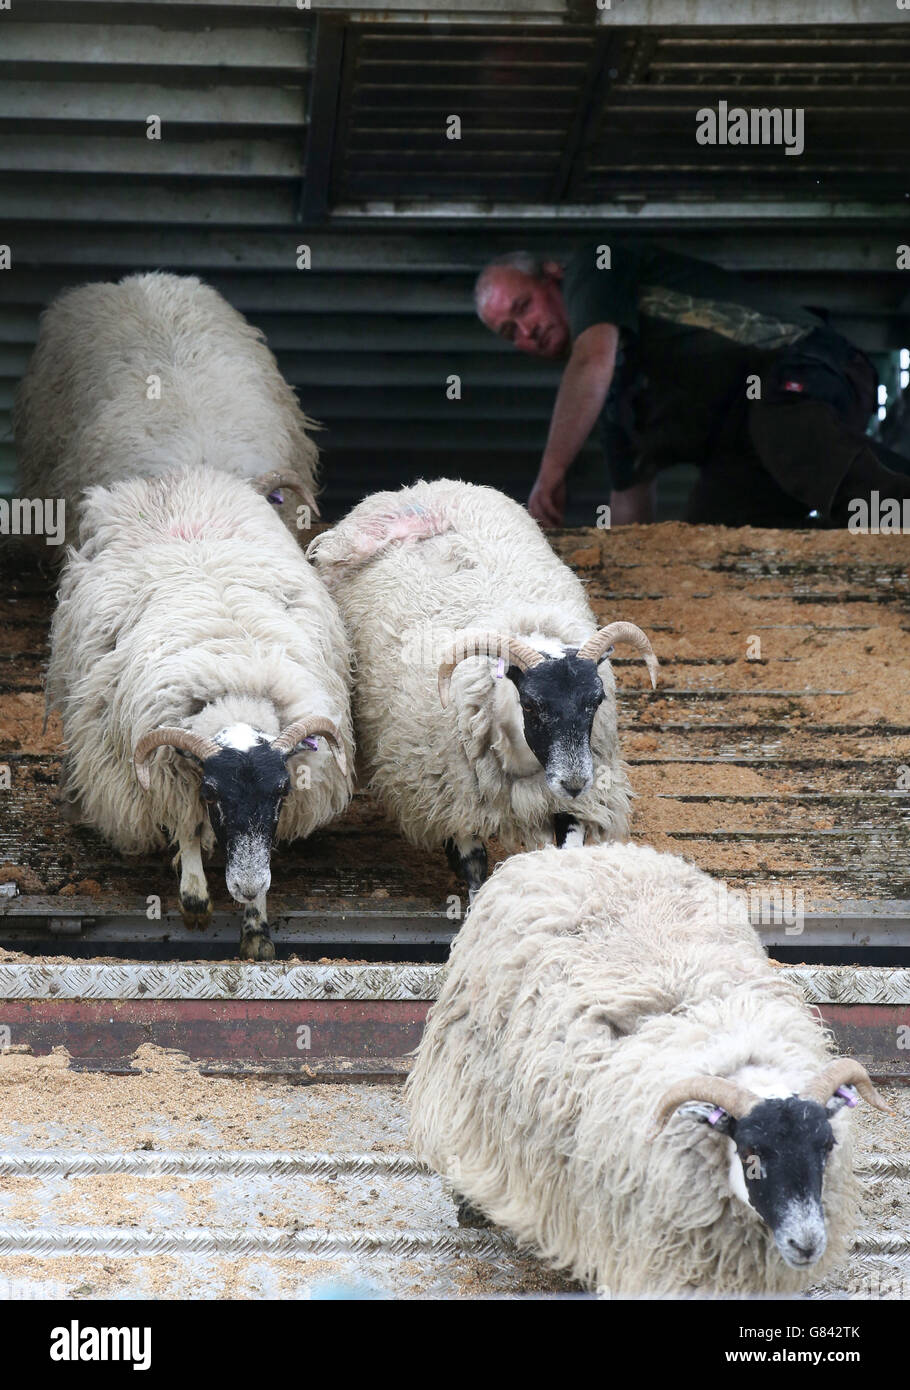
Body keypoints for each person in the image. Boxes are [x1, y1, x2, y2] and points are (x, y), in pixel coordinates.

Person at [474, 244, 910, 528]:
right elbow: (629, 499)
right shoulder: (613, 404)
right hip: (748, 449)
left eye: (524, 306)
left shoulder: (593, 267)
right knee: (710, 544)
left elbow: (591, 359)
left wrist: (550, 476)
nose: (527, 330)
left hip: (812, 366)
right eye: (511, 332)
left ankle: (899, 507)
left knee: (781, 426)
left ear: (553, 274)